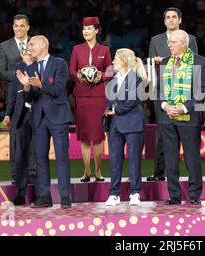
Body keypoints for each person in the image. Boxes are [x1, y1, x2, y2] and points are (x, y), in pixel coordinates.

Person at [16, 35, 74, 209]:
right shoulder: (31, 66)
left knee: (62, 158)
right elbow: (30, 97)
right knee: (40, 158)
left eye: (32, 44)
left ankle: (65, 197)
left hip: (58, 117)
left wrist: (41, 85)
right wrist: (26, 87)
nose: (30, 47)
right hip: (39, 118)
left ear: (43, 45)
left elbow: (58, 90)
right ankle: (44, 196)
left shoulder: (59, 64)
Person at [147, 7, 198, 182]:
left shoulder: (190, 39)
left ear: (180, 20)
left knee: (187, 137)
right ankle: (159, 172)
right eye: (167, 17)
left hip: (184, 94)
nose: (170, 20)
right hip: (163, 93)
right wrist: (155, 66)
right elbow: (151, 68)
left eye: (174, 17)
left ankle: (188, 175)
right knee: (163, 134)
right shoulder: (156, 40)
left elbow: (195, 65)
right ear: (164, 21)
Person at [158, 29, 205, 205]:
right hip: (167, 118)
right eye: (169, 42)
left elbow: (202, 91)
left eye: (173, 42)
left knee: (191, 157)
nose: (169, 44)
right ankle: (174, 195)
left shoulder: (200, 62)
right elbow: (159, 91)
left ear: (184, 44)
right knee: (170, 159)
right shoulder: (165, 62)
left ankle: (194, 194)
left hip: (189, 118)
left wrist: (183, 108)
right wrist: (165, 105)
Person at [69, 16, 112, 182]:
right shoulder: (76, 49)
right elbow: (71, 71)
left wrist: (98, 75)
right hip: (82, 96)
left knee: (98, 136)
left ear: (96, 30)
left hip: (99, 96)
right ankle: (86, 172)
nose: (85, 31)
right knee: (85, 136)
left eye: (89, 28)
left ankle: (98, 172)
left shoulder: (105, 50)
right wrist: (80, 75)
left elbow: (110, 71)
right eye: (84, 29)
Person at [104, 49, 147, 206]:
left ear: (123, 61)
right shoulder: (113, 80)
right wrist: (107, 113)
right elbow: (108, 102)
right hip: (115, 125)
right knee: (114, 160)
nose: (113, 61)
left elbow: (131, 101)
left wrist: (115, 110)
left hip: (132, 124)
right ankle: (114, 194)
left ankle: (134, 193)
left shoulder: (137, 79)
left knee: (134, 160)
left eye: (115, 58)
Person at [0, 14, 35, 184]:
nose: (18, 29)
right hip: (15, 97)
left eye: (21, 26)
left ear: (27, 27)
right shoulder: (4, 47)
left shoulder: (36, 44)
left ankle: (33, 174)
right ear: (12, 27)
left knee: (35, 138)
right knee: (15, 140)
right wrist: (18, 75)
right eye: (15, 26)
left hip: (35, 96)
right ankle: (16, 175)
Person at [3, 45, 36, 206]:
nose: (27, 52)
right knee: (20, 155)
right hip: (20, 116)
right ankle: (21, 193)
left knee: (36, 155)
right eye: (25, 51)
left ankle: (39, 192)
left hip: (36, 115)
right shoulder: (18, 68)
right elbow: (13, 93)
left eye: (30, 49)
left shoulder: (39, 66)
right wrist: (8, 113)